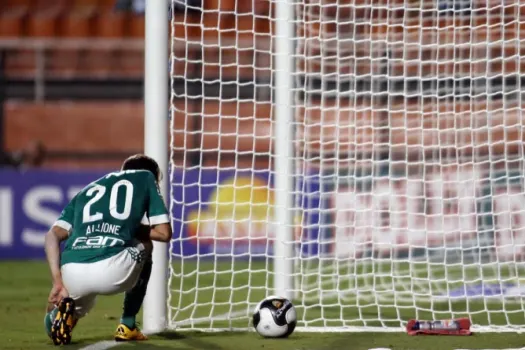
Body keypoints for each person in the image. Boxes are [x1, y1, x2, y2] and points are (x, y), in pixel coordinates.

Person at [43, 154, 172, 345]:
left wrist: (57, 281)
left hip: (72, 272)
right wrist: (131, 228)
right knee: (146, 244)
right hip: (113, 271)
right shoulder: (145, 177)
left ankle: (57, 317)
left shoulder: (88, 189)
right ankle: (128, 324)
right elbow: (164, 233)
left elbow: (51, 236)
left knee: (67, 305)